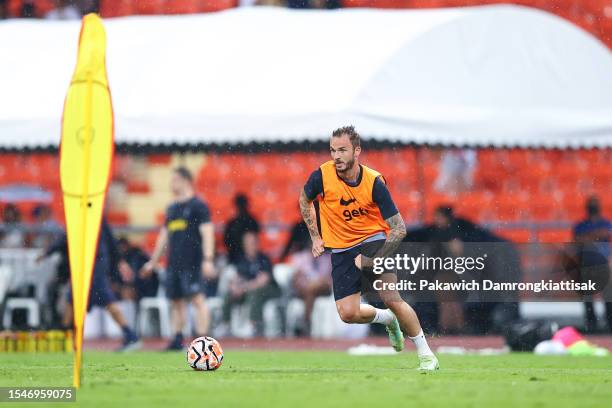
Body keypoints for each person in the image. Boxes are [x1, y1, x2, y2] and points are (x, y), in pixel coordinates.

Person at [298, 125, 438, 371]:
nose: (336, 156)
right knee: (347, 314)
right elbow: (304, 199)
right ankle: (387, 320)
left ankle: (427, 355)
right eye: (332, 150)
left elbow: (399, 228)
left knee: (391, 297)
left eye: (342, 150)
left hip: (372, 241)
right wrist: (316, 237)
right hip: (341, 249)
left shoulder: (374, 182)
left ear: (357, 150)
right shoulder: (321, 175)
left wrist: (374, 260)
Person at [140, 167, 216, 350]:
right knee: (176, 301)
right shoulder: (172, 208)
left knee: (197, 300)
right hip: (173, 263)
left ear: (186, 181)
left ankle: (202, 341)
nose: (171, 183)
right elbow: (163, 237)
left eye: (174, 179)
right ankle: (177, 339)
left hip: (193, 262)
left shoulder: (198, 205)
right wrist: (153, 262)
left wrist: (208, 259)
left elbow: (207, 233)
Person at [61, 219, 141, 351]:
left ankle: (65, 339)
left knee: (94, 299)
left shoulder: (96, 216)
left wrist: (120, 261)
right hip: (85, 265)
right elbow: (66, 238)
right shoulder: (80, 215)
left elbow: (110, 240)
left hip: (96, 265)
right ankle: (66, 339)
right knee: (74, 299)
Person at [220, 231, 280, 337]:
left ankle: (254, 325)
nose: (250, 246)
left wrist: (244, 287)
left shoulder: (263, 259)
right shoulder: (242, 260)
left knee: (256, 293)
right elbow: (237, 277)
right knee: (229, 294)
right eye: (247, 243)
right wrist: (234, 287)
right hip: (248, 290)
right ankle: (226, 325)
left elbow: (263, 280)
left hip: (270, 289)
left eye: (252, 243)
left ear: (257, 244)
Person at [572, 195, 611, 333]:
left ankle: (609, 323)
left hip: (601, 263)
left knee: (608, 296)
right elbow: (578, 239)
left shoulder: (605, 223)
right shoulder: (581, 224)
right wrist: (596, 235)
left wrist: (589, 236)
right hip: (587, 263)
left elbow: (605, 233)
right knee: (587, 296)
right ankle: (591, 324)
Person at [290, 249, 332, 336]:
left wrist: (316, 282)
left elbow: (329, 279)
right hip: (304, 289)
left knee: (312, 289)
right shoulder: (301, 257)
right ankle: (307, 321)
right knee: (310, 290)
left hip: (322, 289)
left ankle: (305, 321)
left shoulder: (328, 258)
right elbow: (295, 279)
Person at [223, 193, 260, 264]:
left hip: (250, 256)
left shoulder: (252, 221)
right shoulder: (232, 223)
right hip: (235, 256)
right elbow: (226, 241)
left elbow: (255, 239)